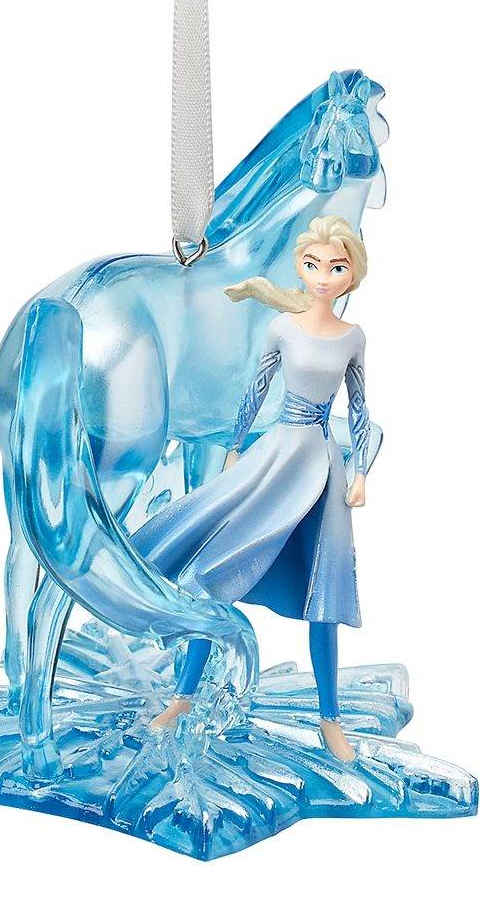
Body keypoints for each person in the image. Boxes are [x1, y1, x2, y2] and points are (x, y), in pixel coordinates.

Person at [130, 215, 372, 763]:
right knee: (213, 573)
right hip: (276, 456)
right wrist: (235, 447)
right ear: (300, 267)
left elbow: (359, 409)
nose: (323, 277)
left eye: (336, 268)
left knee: (325, 593)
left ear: (352, 274)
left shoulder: (353, 338)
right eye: (313, 265)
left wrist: (360, 473)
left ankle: (330, 719)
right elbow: (255, 389)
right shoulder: (282, 329)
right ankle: (183, 697)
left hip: (322, 466)